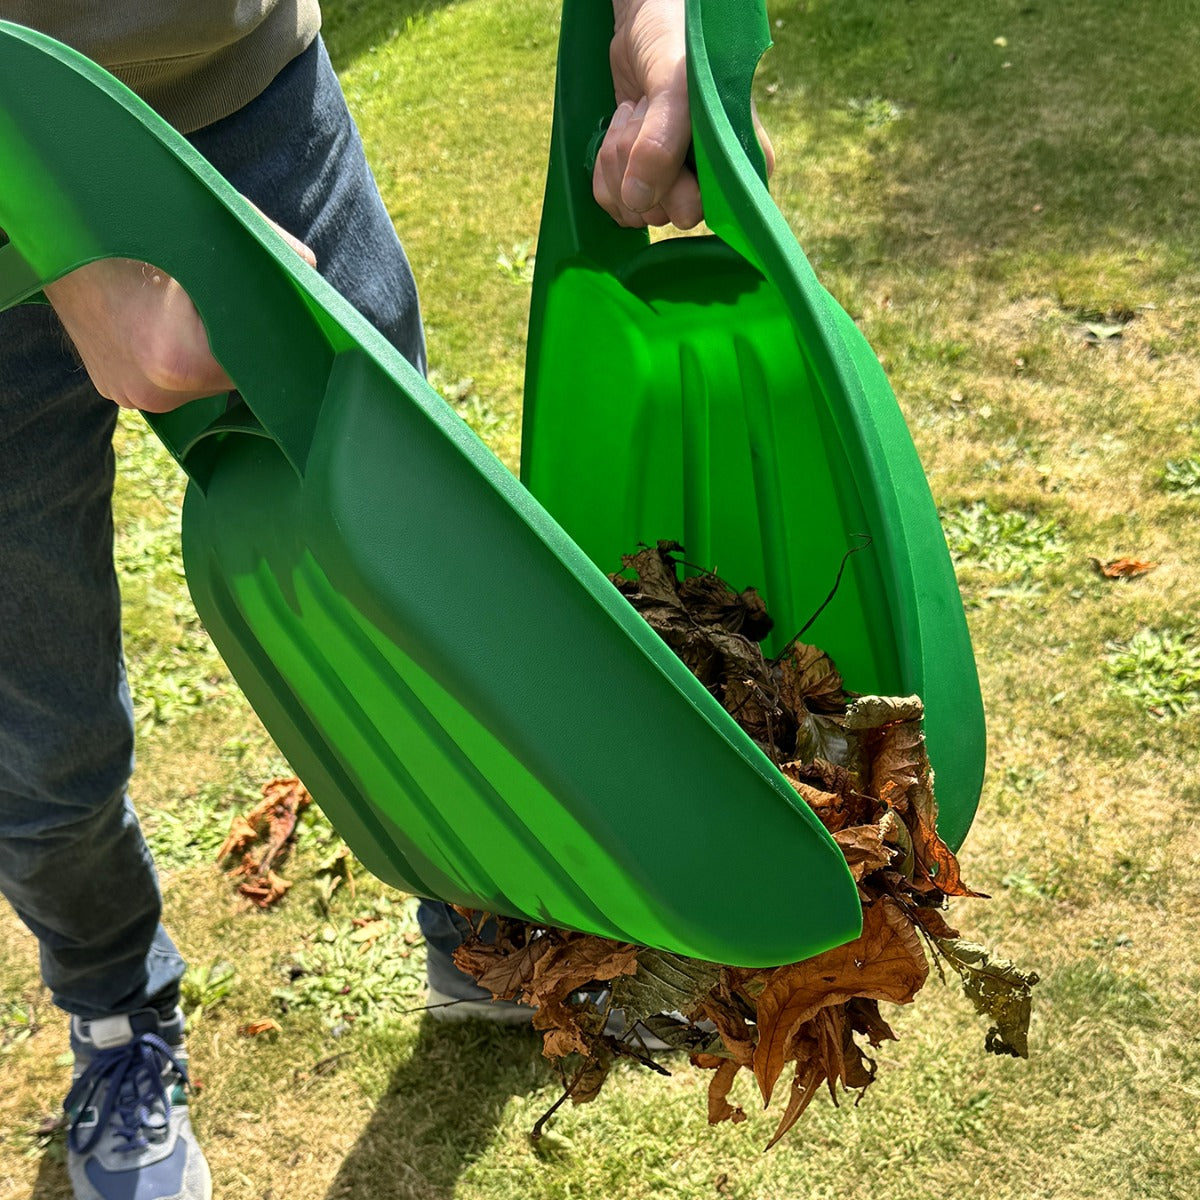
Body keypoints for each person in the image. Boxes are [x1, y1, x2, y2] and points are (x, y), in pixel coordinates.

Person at [0, 3, 772, 1199]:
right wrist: (59, 238)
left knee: (437, 610)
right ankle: (117, 1016)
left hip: (244, 100)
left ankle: (494, 936)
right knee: (40, 740)